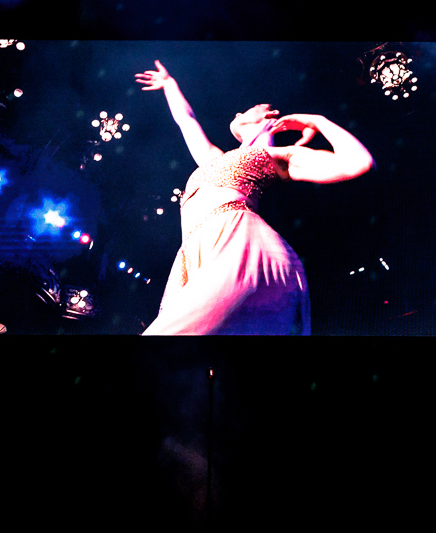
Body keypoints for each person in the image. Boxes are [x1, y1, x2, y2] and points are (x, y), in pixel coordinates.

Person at [134, 60, 374, 335]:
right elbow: (186, 120)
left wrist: (317, 121)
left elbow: (360, 163)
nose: (238, 112)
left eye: (252, 107)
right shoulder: (214, 157)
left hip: (240, 244)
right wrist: (169, 84)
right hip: (198, 248)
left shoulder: (278, 156)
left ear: (270, 115)